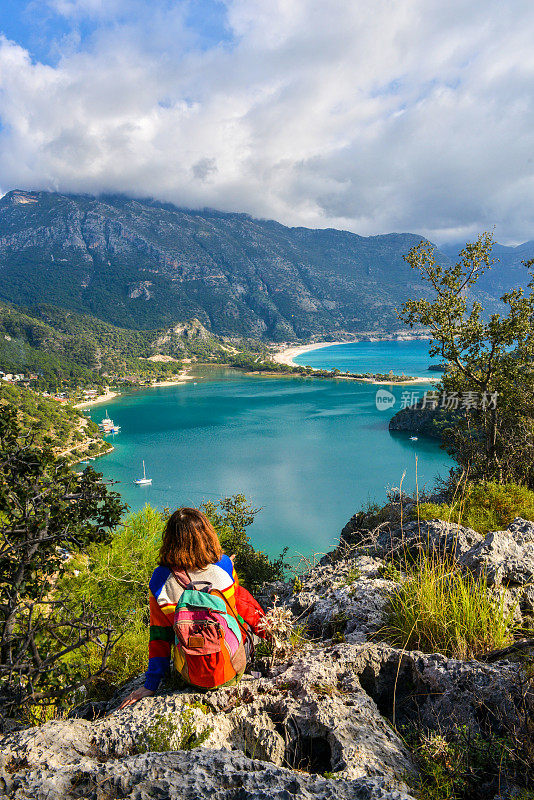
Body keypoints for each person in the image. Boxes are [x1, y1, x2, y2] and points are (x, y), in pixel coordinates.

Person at [119, 506, 241, 709]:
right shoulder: (225, 565)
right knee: (241, 596)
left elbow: (160, 637)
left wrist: (151, 685)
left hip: (191, 673)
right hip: (232, 667)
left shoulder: (160, 580)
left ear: (170, 540)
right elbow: (234, 615)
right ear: (207, 534)